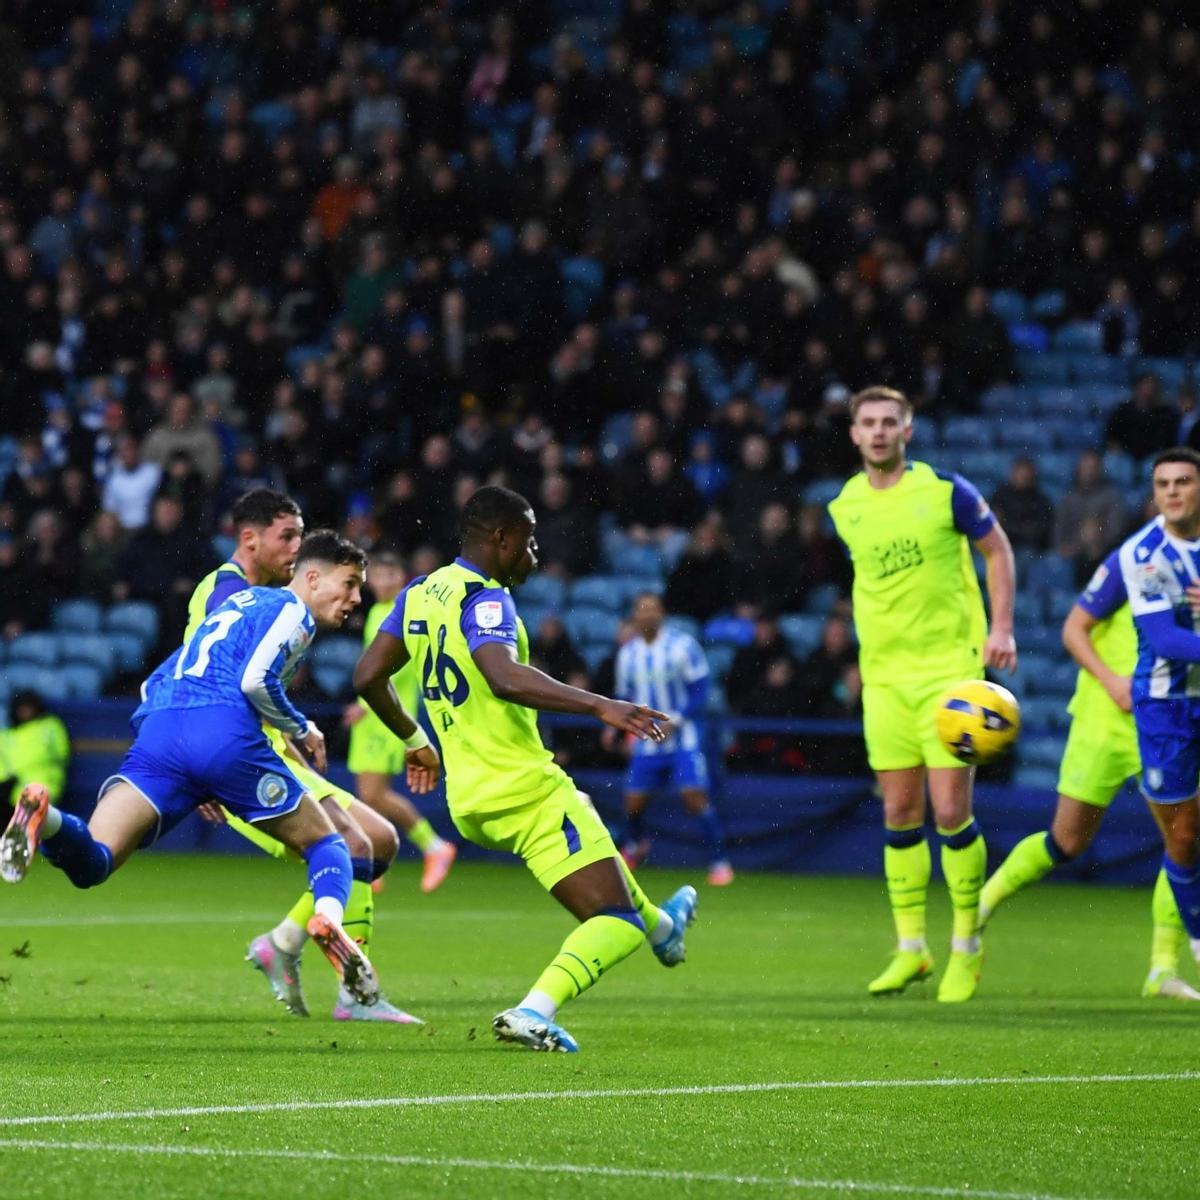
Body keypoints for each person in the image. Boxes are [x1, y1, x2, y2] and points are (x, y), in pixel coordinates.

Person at [353, 485, 698, 1053]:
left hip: (468, 800)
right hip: (523, 788)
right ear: (501, 538)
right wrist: (600, 705)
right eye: (529, 541)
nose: (534, 554)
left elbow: (368, 676)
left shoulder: (419, 592)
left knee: (589, 827)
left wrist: (415, 740)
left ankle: (666, 928)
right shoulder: (486, 600)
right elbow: (503, 676)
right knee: (615, 922)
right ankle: (533, 1011)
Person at [0, 533, 393, 1011]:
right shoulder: (292, 610)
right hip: (223, 731)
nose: (356, 598)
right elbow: (255, 681)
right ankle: (328, 920)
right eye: (349, 583)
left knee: (95, 863)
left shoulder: (233, 606)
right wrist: (302, 726)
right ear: (312, 577)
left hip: (162, 732)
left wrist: (187, 758)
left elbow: (151, 685)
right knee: (330, 843)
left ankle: (46, 817)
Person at [185, 490, 428, 1023]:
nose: (297, 547)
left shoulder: (276, 598)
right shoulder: (229, 592)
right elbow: (206, 676)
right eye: (288, 536)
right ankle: (354, 995)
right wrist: (199, 765)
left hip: (267, 747)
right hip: (235, 758)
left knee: (380, 841)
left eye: (300, 536)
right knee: (355, 842)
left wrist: (288, 737)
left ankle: (282, 943)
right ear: (250, 538)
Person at [827, 385, 1018, 1003]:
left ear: (907, 430)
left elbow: (997, 549)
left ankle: (966, 944)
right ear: (854, 434)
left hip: (949, 677)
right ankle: (911, 948)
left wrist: (1001, 628)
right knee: (899, 813)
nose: (879, 431)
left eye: (890, 422)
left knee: (950, 812)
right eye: (868, 423)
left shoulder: (946, 491)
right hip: (884, 680)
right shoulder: (844, 506)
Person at [979, 545, 1197, 1000]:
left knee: (1185, 839)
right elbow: (1074, 629)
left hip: (1166, 721)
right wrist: (1111, 680)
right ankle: (981, 905)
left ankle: (1162, 969)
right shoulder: (1135, 559)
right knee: (1067, 841)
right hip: (1104, 717)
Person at [1114, 448, 1200, 977]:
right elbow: (1166, 640)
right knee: (1183, 835)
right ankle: (1196, 939)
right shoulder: (1143, 554)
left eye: (1183, 481)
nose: (1172, 492)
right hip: (1167, 706)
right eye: (1163, 483)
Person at [342, 547, 457, 893]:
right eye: (377, 574)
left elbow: (395, 667)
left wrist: (365, 703)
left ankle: (433, 846)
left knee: (373, 793)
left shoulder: (401, 613)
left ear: (402, 579)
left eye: (390, 574)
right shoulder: (377, 611)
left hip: (386, 715)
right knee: (368, 795)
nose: (383, 580)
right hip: (374, 713)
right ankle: (371, 862)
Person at [612, 592, 733, 887]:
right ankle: (635, 845)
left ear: (662, 613)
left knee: (693, 796)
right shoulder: (628, 655)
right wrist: (620, 730)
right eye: (642, 610)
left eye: (652, 609)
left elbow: (700, 689)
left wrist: (675, 720)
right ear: (634, 616)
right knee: (633, 802)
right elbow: (624, 697)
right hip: (646, 738)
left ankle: (719, 861)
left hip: (683, 736)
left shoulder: (682, 646)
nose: (647, 615)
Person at [0, 691, 70, 807]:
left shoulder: (49, 725)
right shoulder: (6, 735)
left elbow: (62, 754)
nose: (25, 711)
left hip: (44, 784)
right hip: (11, 789)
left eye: (28, 707)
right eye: (21, 708)